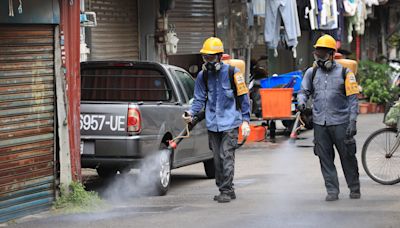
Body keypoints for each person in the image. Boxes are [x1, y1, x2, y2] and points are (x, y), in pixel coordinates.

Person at [182, 37, 251, 203]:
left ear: (220, 56)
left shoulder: (233, 73)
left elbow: (243, 97)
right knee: (217, 160)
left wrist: (246, 121)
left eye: (211, 57)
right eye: (206, 58)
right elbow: (199, 99)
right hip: (213, 124)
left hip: (230, 123)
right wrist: (191, 113)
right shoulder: (202, 76)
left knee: (226, 156)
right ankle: (226, 187)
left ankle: (226, 190)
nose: (208, 61)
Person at [297, 34, 361, 201]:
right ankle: (332, 190)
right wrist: (301, 101)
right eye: (318, 54)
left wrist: (352, 122)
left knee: (347, 157)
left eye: (323, 54)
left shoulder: (346, 73)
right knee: (325, 158)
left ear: (332, 54)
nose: (320, 58)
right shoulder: (312, 73)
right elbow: (303, 91)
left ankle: (354, 187)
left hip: (341, 122)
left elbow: (353, 99)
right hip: (320, 124)